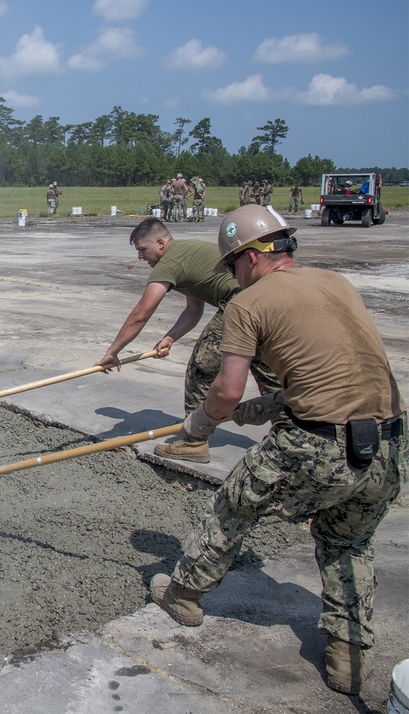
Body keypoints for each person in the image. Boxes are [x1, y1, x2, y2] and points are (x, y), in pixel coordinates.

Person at [149, 203, 405, 696]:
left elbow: (224, 391)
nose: (233, 277)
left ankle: (183, 594)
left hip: (317, 445)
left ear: (249, 258)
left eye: (231, 267)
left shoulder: (249, 303)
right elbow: (339, 368)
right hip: (389, 443)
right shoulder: (336, 282)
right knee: (348, 543)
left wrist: (198, 426)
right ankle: (348, 656)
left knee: (233, 505)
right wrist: (272, 403)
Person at [94, 217, 279, 463]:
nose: (140, 257)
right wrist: (170, 337)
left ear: (160, 243)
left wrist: (113, 351)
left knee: (202, 367)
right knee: (269, 374)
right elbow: (194, 310)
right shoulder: (187, 252)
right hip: (263, 302)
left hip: (239, 305)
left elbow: (141, 313)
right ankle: (286, 434)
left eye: (142, 250)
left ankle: (194, 441)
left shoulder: (168, 264)